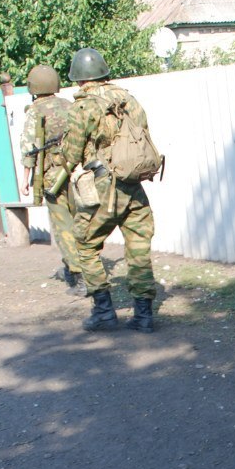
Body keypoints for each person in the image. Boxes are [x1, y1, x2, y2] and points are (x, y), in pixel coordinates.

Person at [59, 47, 159, 333]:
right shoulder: (129, 100)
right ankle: (144, 316)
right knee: (139, 246)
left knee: (86, 244)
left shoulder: (82, 107)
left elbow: (71, 152)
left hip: (102, 187)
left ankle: (103, 311)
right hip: (134, 186)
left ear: (79, 78)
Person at [18, 63, 84, 296]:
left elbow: (29, 150)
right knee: (79, 220)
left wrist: (25, 179)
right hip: (76, 172)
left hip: (51, 177)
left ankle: (79, 275)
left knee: (62, 225)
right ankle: (76, 266)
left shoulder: (35, 111)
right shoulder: (70, 106)